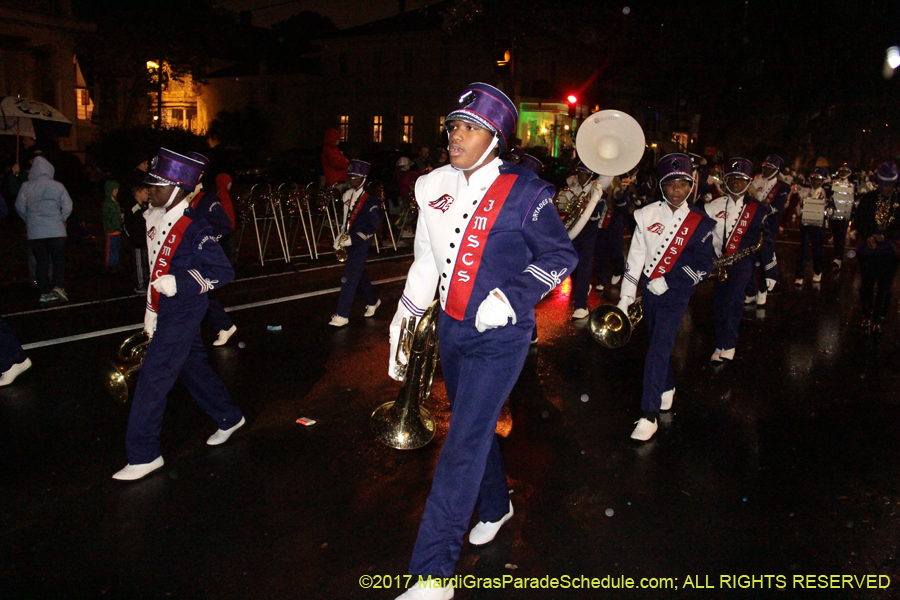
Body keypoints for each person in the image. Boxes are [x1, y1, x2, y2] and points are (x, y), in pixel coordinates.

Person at [388, 83, 577, 600]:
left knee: (463, 441)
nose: (456, 136)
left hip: (500, 334)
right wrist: (403, 318)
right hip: (450, 327)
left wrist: (514, 295)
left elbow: (560, 257)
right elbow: (428, 259)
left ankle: (432, 573)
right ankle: (495, 505)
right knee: (474, 422)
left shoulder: (526, 191)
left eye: (469, 128)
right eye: (453, 126)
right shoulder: (430, 185)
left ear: (495, 137)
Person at [112, 148, 244, 481]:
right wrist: (151, 312)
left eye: (156, 184)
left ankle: (144, 455)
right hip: (167, 306)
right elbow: (154, 262)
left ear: (177, 189)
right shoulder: (155, 216)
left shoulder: (194, 225)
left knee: (153, 379)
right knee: (193, 368)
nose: (149, 190)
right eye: (150, 184)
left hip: (185, 306)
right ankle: (229, 416)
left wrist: (181, 282)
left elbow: (223, 271)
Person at [619, 153, 715, 441]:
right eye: (671, 183)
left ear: (691, 186)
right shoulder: (646, 214)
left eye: (683, 184)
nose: (678, 189)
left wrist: (670, 280)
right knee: (655, 342)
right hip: (649, 291)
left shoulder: (700, 222)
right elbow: (635, 258)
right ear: (662, 186)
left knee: (659, 346)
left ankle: (649, 415)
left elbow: (704, 265)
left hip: (676, 294)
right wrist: (626, 296)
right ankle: (667, 385)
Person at [704, 158, 773, 364]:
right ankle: (719, 343)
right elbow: (704, 237)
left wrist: (770, 270)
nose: (736, 182)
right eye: (732, 178)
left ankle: (729, 344)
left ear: (749, 181)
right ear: (725, 180)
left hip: (743, 262)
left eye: (741, 179)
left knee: (734, 300)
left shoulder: (758, 209)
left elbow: (766, 241)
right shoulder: (711, 207)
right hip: (719, 263)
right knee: (719, 303)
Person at [187, 153, 238, 346]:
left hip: (200, 255)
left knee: (200, 294)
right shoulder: (188, 200)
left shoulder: (207, 199)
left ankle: (224, 325)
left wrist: (206, 241)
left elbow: (224, 224)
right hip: (189, 254)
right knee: (196, 294)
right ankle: (222, 326)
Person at [328, 160, 382, 327]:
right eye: (350, 177)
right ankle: (373, 299)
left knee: (350, 276)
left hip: (361, 240)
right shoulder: (348, 195)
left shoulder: (371, 201)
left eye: (355, 177)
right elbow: (345, 220)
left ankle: (342, 314)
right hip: (349, 238)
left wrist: (354, 239)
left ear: (364, 179)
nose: (351, 180)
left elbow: (372, 227)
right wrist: (341, 236)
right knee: (356, 273)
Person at [14, 156, 72, 303]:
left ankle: (43, 291)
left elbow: (19, 206)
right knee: (58, 260)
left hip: (35, 232)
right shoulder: (57, 186)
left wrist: (29, 219)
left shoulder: (26, 187)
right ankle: (58, 286)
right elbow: (68, 205)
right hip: (56, 230)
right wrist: (62, 218)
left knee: (41, 262)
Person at [853, 162, 900, 334]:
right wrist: (868, 236)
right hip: (868, 250)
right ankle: (866, 314)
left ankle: (879, 318)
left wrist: (886, 236)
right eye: (882, 184)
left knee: (885, 287)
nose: (885, 188)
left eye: (888, 185)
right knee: (866, 285)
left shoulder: (898, 200)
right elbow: (860, 219)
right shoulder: (869, 198)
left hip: (890, 250)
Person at [559, 160, 603, 319]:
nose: (581, 176)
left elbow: (596, 213)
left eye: (584, 173)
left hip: (588, 234)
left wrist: (584, 205)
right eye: (580, 173)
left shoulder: (596, 189)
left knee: (584, 266)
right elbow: (564, 208)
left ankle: (581, 306)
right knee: (573, 267)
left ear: (590, 174)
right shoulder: (573, 187)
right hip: (573, 233)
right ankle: (583, 288)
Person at [746, 154, 791, 304]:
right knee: (750, 258)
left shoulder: (782, 186)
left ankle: (763, 291)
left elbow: (777, 207)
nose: (765, 171)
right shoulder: (756, 182)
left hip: (769, 226)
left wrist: (762, 207)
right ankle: (751, 291)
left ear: (776, 170)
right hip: (752, 224)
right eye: (765, 167)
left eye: (770, 168)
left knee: (765, 257)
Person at [593, 175, 631, 293]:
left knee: (615, 253)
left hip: (614, 230)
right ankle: (601, 280)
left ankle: (619, 270)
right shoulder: (599, 193)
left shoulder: (619, 194)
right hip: (600, 229)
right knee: (600, 255)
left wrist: (618, 197)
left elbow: (625, 207)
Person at [794, 167, 830, 285]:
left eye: (818, 180)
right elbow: (798, 208)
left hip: (818, 226)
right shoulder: (805, 192)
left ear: (823, 181)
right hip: (806, 225)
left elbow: (831, 211)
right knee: (803, 250)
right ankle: (800, 275)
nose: (815, 182)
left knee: (817, 250)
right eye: (813, 179)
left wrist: (826, 210)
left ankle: (817, 272)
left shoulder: (827, 193)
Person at [828, 162, 855, 270]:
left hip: (845, 214)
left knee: (842, 235)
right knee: (836, 235)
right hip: (835, 214)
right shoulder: (833, 184)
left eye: (846, 171)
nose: (843, 173)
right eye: (841, 171)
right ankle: (836, 255)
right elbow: (830, 198)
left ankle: (838, 257)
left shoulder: (852, 185)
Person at [126, 180, 151, 294]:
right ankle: (140, 285)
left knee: (146, 262)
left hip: (145, 240)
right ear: (138, 193)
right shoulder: (134, 208)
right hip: (137, 241)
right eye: (145, 192)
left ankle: (145, 282)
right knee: (139, 263)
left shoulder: (145, 207)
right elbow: (130, 226)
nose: (147, 194)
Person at [102, 179, 124, 272]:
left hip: (116, 229)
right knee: (111, 249)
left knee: (116, 248)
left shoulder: (114, 202)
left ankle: (115, 264)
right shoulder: (108, 203)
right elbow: (107, 216)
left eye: (117, 189)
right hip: (111, 230)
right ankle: (110, 266)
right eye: (114, 189)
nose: (116, 191)